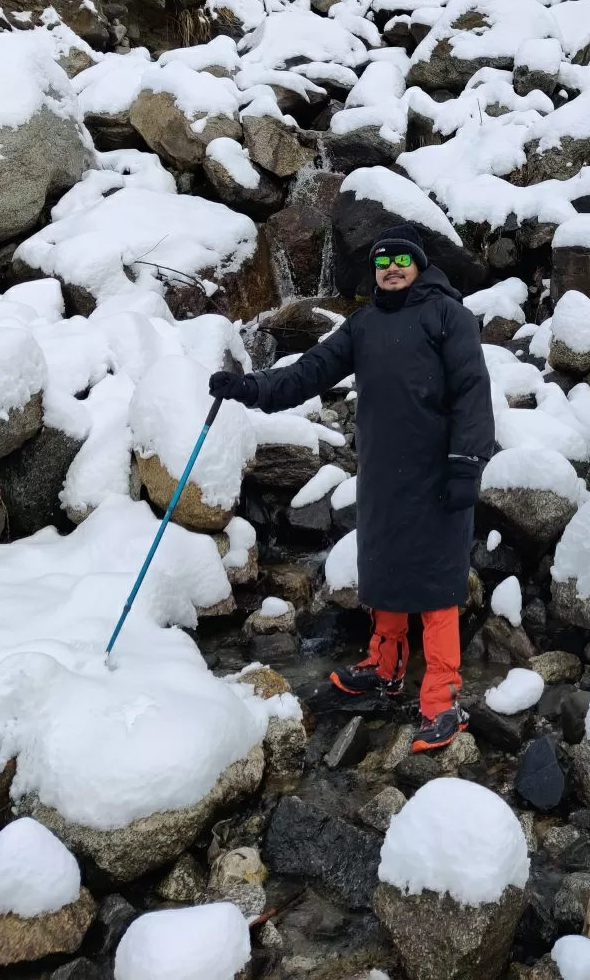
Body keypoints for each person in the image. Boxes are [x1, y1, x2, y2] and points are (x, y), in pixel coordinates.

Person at [209, 223, 495, 752]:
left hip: (437, 472)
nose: (391, 270)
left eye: (400, 262)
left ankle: (442, 695)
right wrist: (251, 388)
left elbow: (473, 393)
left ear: (419, 266)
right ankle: (385, 666)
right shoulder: (363, 325)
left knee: (436, 581)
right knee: (383, 567)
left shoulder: (446, 316)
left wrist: (466, 465)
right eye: (382, 263)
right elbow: (309, 373)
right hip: (384, 475)